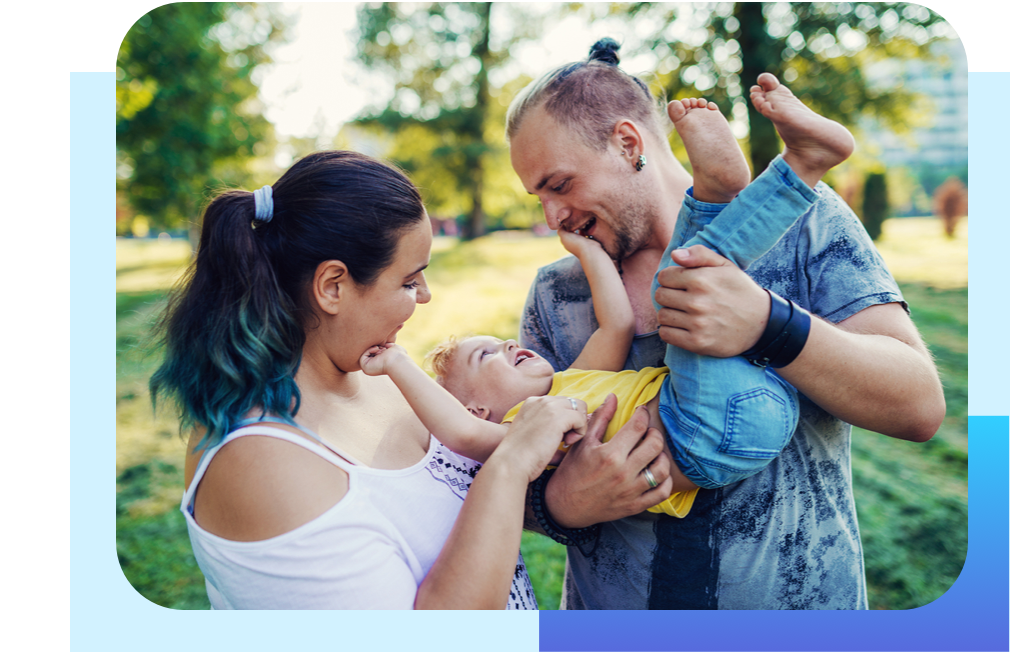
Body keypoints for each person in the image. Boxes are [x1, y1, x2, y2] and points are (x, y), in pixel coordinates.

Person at [508, 38, 945, 609]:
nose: (552, 217)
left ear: (627, 142)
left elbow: (918, 407)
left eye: (559, 185)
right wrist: (561, 503)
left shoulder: (802, 219)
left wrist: (769, 324)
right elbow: (496, 467)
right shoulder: (555, 293)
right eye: (537, 196)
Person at [360, 95, 850, 522]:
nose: (510, 343)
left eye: (560, 184)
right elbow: (461, 435)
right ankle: (746, 188)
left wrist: (590, 255)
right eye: (487, 356)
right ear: (477, 409)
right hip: (702, 432)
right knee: (684, 282)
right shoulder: (521, 432)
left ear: (629, 145)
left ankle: (755, 185)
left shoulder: (573, 386)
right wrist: (398, 364)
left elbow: (617, 321)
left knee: (683, 277)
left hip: (746, 399)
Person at [150, 150, 590, 609]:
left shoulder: (378, 371)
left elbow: (459, 505)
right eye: (408, 281)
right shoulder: (262, 464)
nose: (424, 296)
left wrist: (567, 498)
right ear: (332, 286)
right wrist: (512, 462)